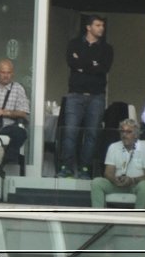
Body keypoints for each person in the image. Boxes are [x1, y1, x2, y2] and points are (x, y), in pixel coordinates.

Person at [57, 13, 112, 179]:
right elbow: (72, 63)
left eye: (102, 26)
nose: (101, 28)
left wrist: (83, 64)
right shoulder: (74, 44)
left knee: (92, 134)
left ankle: (85, 169)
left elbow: (103, 68)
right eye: (97, 25)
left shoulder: (107, 49)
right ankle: (66, 168)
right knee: (70, 132)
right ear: (88, 27)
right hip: (75, 95)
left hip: (96, 96)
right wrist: (92, 64)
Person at [90, 121, 145, 209]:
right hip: (117, 184)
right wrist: (115, 180)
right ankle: (98, 217)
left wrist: (132, 180)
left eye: (128, 132)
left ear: (136, 134)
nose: (124, 135)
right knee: (96, 182)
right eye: (122, 131)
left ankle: (139, 219)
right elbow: (108, 172)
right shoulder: (113, 147)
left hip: (135, 185)